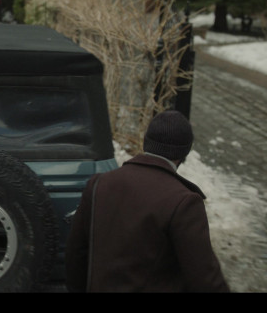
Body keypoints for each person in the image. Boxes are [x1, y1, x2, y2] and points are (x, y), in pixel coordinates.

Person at [65, 110, 229, 292]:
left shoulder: (98, 185)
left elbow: (76, 255)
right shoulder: (184, 203)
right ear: (185, 152)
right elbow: (205, 280)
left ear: (146, 142)